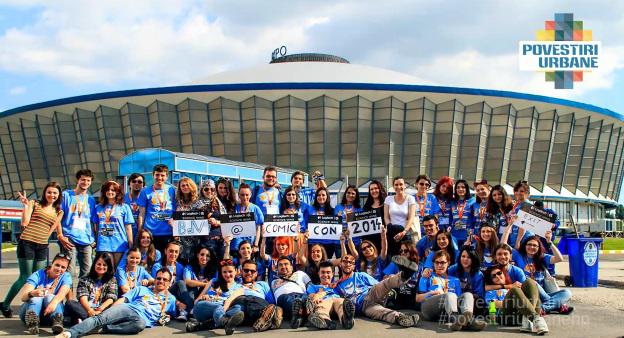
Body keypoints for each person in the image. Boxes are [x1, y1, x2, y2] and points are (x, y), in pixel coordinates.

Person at [55, 268, 180, 338]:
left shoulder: (171, 299)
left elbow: (172, 314)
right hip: (128, 308)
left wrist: (169, 316)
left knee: (140, 324)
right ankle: (70, 333)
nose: (161, 281)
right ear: (155, 279)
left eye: (165, 279)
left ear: (169, 283)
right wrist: (111, 311)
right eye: (158, 278)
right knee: (100, 318)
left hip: (140, 320)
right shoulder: (142, 289)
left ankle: (105, 329)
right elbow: (123, 299)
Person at [1, 182, 63, 318]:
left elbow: (52, 230)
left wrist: (48, 241)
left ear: (58, 195)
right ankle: (5, 305)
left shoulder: (59, 211)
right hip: (27, 242)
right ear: (45, 193)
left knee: (38, 278)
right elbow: (24, 223)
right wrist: (25, 206)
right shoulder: (34, 203)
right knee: (25, 277)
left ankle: (33, 308)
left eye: (55, 193)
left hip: (41, 245)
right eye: (49, 192)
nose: (51, 195)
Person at [334, 255, 419, 328]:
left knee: (386, 283)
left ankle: (406, 274)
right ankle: (401, 318)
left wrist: (389, 291)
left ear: (354, 266)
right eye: (345, 262)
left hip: (370, 294)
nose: (347, 264)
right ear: (340, 264)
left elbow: (378, 285)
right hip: (364, 308)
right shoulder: (337, 286)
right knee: (381, 313)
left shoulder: (360, 275)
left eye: (350, 262)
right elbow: (338, 302)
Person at [503, 229, 573, 315]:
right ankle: (557, 305)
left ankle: (543, 308)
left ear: (538, 248)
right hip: (527, 291)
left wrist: (549, 242)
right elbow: (503, 245)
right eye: (529, 244)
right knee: (533, 282)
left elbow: (559, 258)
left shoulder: (542, 257)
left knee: (567, 293)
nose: (532, 247)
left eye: (535, 246)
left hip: (543, 293)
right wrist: (509, 226)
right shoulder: (518, 255)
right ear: (524, 245)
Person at [417, 251, 485, 331]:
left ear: (448, 263)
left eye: (442, 262)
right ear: (433, 263)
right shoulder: (427, 276)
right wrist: (431, 293)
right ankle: (462, 320)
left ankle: (466, 318)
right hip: (429, 309)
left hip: (446, 313)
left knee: (467, 295)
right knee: (450, 294)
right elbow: (418, 298)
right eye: (437, 262)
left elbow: (459, 300)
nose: (439, 265)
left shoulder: (455, 280)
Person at [484, 266, 548, 335]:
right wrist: (517, 301)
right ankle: (536, 318)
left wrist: (522, 303)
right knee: (514, 290)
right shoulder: (491, 291)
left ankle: (527, 319)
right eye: (493, 276)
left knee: (530, 282)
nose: (497, 276)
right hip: (505, 317)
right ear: (490, 280)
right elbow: (492, 304)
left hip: (522, 315)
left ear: (504, 274)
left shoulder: (513, 285)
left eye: (499, 273)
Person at [19, 253, 72, 335]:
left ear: (66, 269)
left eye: (63, 267)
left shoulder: (66, 276)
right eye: (57, 265)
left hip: (51, 314)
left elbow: (63, 292)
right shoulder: (38, 275)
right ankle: (33, 323)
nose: (59, 269)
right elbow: (23, 297)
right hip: (29, 311)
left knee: (50, 297)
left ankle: (57, 322)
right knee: (36, 297)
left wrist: (53, 303)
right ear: (51, 264)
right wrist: (32, 293)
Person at [59, 169, 97, 279]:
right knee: (68, 271)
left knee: (87, 271)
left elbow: (93, 221)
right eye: (83, 180)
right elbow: (58, 217)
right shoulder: (66, 195)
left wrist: (94, 238)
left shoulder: (91, 200)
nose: (85, 182)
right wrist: (60, 235)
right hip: (69, 237)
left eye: (88, 180)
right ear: (78, 180)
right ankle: (67, 295)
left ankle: (83, 295)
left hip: (86, 239)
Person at [192, 260, 245, 335]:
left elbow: (228, 301)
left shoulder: (240, 288)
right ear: (221, 272)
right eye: (224, 272)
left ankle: (212, 323)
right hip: (205, 308)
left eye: (230, 271)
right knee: (209, 306)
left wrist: (221, 310)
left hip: (224, 309)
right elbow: (197, 300)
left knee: (239, 307)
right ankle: (225, 322)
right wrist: (204, 297)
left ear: (236, 271)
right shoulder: (213, 281)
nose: (227, 274)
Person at [64, 253, 118, 325]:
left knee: (116, 308)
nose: (101, 267)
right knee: (70, 303)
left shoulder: (112, 279)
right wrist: (89, 310)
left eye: (104, 265)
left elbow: (111, 297)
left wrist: (100, 309)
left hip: (102, 309)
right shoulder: (84, 279)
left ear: (108, 267)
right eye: (99, 264)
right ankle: (94, 321)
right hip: (86, 309)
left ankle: (85, 320)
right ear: (94, 264)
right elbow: (82, 297)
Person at [229, 260, 283, 332]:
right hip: (240, 305)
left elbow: (271, 303)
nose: (249, 273)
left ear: (256, 273)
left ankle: (265, 318)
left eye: (252, 271)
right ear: (241, 271)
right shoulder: (234, 285)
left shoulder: (262, 284)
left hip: (257, 306)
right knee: (245, 299)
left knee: (254, 299)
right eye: (246, 270)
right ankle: (266, 317)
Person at [93, 181, 134, 267]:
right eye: (107, 190)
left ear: (118, 192)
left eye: (113, 190)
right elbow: (96, 227)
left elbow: (128, 227)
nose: (110, 192)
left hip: (119, 244)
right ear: (104, 192)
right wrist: (96, 242)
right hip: (103, 245)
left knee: (118, 270)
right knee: (105, 271)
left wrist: (131, 244)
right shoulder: (98, 207)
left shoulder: (124, 207)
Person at [137, 164, 176, 253]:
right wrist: (140, 232)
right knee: (151, 259)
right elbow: (141, 214)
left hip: (168, 232)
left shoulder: (171, 190)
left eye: (162, 175)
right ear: (153, 175)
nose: (159, 178)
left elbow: (175, 210)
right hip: (151, 233)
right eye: (157, 175)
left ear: (167, 177)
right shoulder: (145, 191)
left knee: (165, 261)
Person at [306, 261, 356, 330]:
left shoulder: (337, 286)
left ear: (332, 274)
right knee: (322, 306)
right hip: (324, 301)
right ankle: (324, 320)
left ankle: (346, 319)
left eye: (328, 272)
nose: (325, 275)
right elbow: (312, 296)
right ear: (318, 274)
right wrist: (317, 296)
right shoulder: (313, 286)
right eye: (323, 272)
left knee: (342, 303)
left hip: (337, 301)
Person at [270, 257, 311, 329]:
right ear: (277, 269)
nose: (283, 267)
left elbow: (310, 287)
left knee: (305, 298)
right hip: (283, 299)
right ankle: (303, 312)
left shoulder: (300, 274)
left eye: (286, 264)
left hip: (300, 294)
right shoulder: (274, 282)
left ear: (292, 267)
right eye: (280, 265)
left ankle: (298, 316)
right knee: (286, 298)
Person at [448, 247, 487, 318]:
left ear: (473, 259)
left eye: (469, 257)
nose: (465, 259)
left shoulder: (478, 274)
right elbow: (442, 274)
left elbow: (479, 295)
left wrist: (466, 296)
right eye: (463, 256)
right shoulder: (454, 268)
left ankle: (467, 317)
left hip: (470, 301)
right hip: (453, 299)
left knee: (479, 302)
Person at [179, 245, 219, 314]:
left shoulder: (214, 269)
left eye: (207, 256)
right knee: (192, 288)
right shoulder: (189, 267)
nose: (204, 258)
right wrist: (206, 284)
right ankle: (188, 311)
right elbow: (187, 282)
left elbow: (216, 284)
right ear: (198, 255)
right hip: (191, 293)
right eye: (202, 254)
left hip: (206, 294)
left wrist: (206, 286)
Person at [382, 241, 421, 311]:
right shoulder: (395, 263)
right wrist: (392, 277)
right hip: (397, 299)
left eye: (406, 251)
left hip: (412, 299)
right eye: (401, 251)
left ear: (412, 251)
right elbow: (384, 278)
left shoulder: (420, 266)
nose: (402, 253)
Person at [194, 179, 227, 260]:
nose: (209, 191)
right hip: (204, 240)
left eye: (212, 189)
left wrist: (217, 222)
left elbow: (226, 221)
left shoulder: (219, 203)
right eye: (206, 189)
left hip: (219, 240)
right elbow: (191, 221)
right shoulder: (196, 204)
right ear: (202, 190)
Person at [384, 177, 417, 256]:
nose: (399, 187)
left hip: (406, 234)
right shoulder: (388, 199)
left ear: (405, 185)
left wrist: (404, 232)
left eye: (401, 184)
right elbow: (386, 217)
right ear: (393, 186)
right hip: (392, 234)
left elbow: (411, 217)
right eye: (396, 185)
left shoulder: (410, 199)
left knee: (405, 258)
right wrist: (390, 227)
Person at [170, 177, 199, 265]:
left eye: (187, 185)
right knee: (181, 259)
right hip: (181, 237)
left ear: (192, 186)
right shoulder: (178, 202)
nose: (185, 187)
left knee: (194, 260)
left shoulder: (198, 201)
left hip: (194, 236)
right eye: (183, 185)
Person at [230, 183, 264, 254]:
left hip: (249, 245)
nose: (245, 197)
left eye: (247, 195)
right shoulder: (234, 208)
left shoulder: (255, 209)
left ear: (251, 195)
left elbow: (258, 228)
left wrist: (256, 245)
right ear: (238, 195)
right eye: (242, 195)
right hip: (235, 245)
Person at [308, 186, 340, 258]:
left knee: (326, 265)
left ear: (327, 197)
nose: (321, 197)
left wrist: (339, 217)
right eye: (319, 195)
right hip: (313, 243)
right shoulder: (310, 209)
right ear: (316, 197)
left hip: (328, 244)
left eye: (323, 195)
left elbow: (335, 226)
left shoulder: (332, 211)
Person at [533, 200, 560, 275]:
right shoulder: (533, 212)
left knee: (550, 254)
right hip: (538, 237)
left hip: (548, 237)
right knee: (539, 254)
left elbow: (557, 222)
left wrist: (555, 225)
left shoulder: (550, 212)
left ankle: (551, 273)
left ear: (543, 207)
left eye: (541, 208)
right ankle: (541, 271)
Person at [363, 179, 387, 250]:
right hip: (371, 241)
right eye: (371, 189)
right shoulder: (366, 207)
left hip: (385, 238)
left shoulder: (387, 203)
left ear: (380, 189)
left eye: (376, 188)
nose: (374, 191)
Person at [508, 180, 533, 249]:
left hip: (524, 238)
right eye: (516, 191)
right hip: (515, 236)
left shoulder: (527, 205)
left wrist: (518, 241)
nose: (518, 193)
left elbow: (524, 225)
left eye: (521, 191)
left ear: (527, 193)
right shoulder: (518, 204)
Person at [124, 173, 145, 242]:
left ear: (143, 185)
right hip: (125, 234)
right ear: (129, 183)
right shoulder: (122, 198)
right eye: (134, 181)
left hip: (141, 235)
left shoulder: (146, 199)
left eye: (139, 182)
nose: (136, 183)